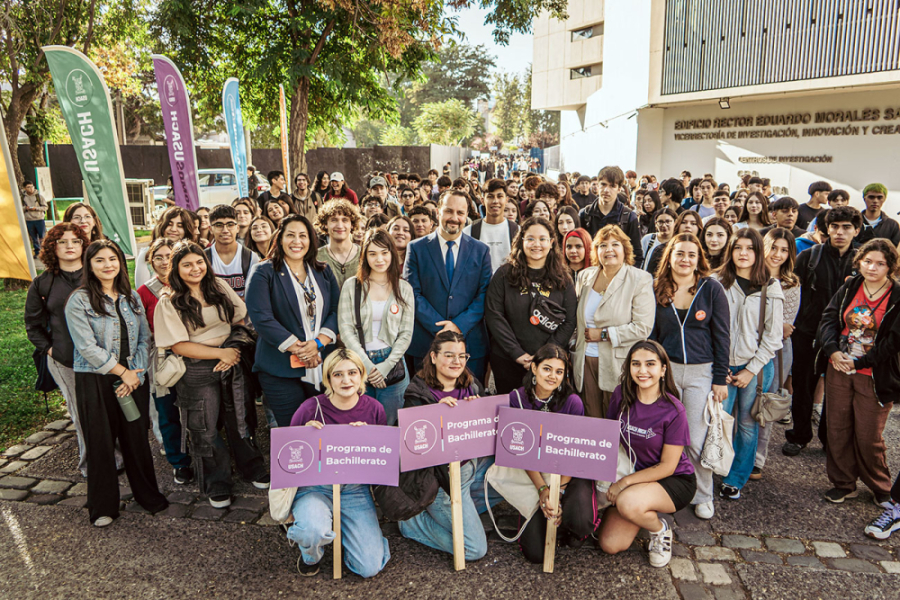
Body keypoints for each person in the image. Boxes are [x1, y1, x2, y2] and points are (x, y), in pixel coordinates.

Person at [154, 241, 268, 506]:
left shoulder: (217, 286)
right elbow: (177, 344)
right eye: (187, 265)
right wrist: (219, 354)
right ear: (176, 268)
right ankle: (217, 481)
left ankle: (251, 467)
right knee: (204, 427)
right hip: (197, 368)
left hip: (232, 359)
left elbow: (239, 317)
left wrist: (232, 350)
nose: (196, 268)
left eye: (199, 262)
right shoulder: (170, 300)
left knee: (239, 416)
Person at [64, 240, 169, 526]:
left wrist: (134, 373)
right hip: (96, 379)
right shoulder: (80, 300)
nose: (108, 264)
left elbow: (144, 339)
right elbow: (86, 346)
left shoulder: (131, 297)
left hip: (133, 379)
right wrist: (122, 372)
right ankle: (103, 507)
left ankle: (148, 496)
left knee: (136, 440)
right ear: (90, 265)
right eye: (100, 260)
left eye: (113, 259)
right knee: (101, 442)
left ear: (121, 263)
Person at [26, 223, 120, 478]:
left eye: (75, 241)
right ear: (52, 247)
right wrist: (50, 350)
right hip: (66, 360)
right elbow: (32, 325)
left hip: (106, 356)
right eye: (62, 241)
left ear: (84, 245)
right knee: (82, 414)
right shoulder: (42, 284)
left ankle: (118, 456)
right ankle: (92, 464)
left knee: (111, 408)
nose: (69, 246)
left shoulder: (99, 273)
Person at [288, 348, 390, 578]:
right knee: (311, 530)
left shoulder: (374, 409)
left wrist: (369, 440)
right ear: (328, 379)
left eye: (352, 372)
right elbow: (288, 458)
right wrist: (304, 436)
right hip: (315, 487)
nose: (346, 380)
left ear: (362, 375)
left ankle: (352, 534)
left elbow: (382, 463)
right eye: (338, 374)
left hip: (354, 490)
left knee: (369, 567)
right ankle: (310, 553)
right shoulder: (310, 408)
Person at [650, 233, 730, 519]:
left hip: (700, 373)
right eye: (680, 253)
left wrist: (720, 379)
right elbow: (652, 335)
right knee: (665, 436)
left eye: (691, 255)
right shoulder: (657, 287)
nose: (685, 259)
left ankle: (703, 494)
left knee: (696, 438)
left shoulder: (711, 288)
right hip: (666, 371)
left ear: (699, 260)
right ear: (669, 257)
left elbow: (722, 336)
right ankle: (666, 489)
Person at [816, 239, 899, 508]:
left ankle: (881, 486)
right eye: (867, 261)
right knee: (837, 429)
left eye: (880, 263)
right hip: (839, 367)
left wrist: (861, 361)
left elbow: (894, 341)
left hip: (873, 374)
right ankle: (844, 483)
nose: (872, 268)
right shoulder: (850, 286)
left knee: (868, 435)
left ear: (890, 267)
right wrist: (832, 351)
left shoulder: (897, 296)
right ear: (859, 261)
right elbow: (828, 319)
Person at [598, 340, 696, 569]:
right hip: (636, 473)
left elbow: (667, 467)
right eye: (636, 364)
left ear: (663, 369)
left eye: (650, 364)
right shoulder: (621, 394)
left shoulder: (673, 410)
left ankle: (660, 530)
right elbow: (609, 435)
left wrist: (623, 483)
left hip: (673, 480)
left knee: (627, 503)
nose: (642, 371)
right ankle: (643, 508)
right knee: (610, 544)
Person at [399, 331, 494, 562]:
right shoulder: (418, 394)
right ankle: (413, 524)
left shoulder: (472, 386)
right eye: (449, 355)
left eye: (462, 356)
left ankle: (464, 511)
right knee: (474, 549)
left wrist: (480, 409)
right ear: (433, 357)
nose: (457, 361)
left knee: (512, 475)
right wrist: (435, 416)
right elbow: (413, 448)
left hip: (471, 470)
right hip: (443, 482)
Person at [502, 344, 597, 563]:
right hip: (534, 473)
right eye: (547, 368)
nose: (553, 376)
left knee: (581, 520)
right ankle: (544, 520)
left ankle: (573, 529)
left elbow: (576, 451)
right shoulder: (516, 399)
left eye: (559, 371)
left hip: (568, 474)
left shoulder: (573, 402)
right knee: (535, 553)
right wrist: (543, 490)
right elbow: (518, 451)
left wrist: (559, 492)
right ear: (534, 368)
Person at [245, 214, 340, 427]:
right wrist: (301, 350)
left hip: (321, 363)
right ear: (279, 239)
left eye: (303, 236)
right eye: (290, 235)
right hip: (279, 369)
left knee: (325, 427)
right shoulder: (263, 271)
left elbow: (336, 310)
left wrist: (317, 344)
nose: (297, 241)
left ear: (311, 240)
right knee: (295, 430)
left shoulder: (322, 270)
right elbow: (261, 317)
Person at [784, 206, 862, 457]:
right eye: (835, 226)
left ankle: (830, 439)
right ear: (825, 228)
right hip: (807, 333)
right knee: (803, 386)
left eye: (846, 227)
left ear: (856, 230)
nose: (840, 232)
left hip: (847, 338)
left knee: (838, 391)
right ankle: (800, 435)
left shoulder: (862, 261)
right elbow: (794, 293)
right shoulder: (810, 256)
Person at [715, 229, 783, 500]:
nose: (743, 253)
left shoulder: (770, 286)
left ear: (758, 253)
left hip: (755, 369)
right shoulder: (717, 282)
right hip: (721, 366)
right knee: (717, 421)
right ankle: (712, 468)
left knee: (746, 423)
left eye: (749, 248)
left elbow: (773, 337)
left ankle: (736, 477)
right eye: (737, 248)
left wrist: (749, 370)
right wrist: (722, 368)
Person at [404, 190, 492, 381]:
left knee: (470, 405)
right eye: (449, 211)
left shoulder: (481, 251)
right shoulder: (416, 248)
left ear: (467, 215)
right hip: (426, 344)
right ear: (438, 212)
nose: (455, 218)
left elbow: (484, 294)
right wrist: (441, 328)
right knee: (425, 407)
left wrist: (458, 325)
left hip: (470, 345)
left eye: (460, 213)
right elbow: (412, 294)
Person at [485, 216, 577, 394]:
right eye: (531, 239)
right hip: (508, 360)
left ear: (551, 242)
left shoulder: (563, 278)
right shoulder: (504, 274)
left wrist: (545, 356)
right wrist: (517, 353)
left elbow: (570, 320)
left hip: (548, 364)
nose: (537, 244)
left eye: (542, 239)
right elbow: (494, 315)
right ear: (521, 241)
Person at [573, 225, 655, 418]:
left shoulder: (639, 279)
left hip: (617, 363)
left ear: (625, 249)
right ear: (596, 251)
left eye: (615, 244)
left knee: (617, 420)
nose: (608, 249)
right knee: (592, 420)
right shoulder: (585, 276)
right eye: (602, 245)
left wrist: (604, 334)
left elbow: (643, 327)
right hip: (585, 362)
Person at [337, 230, 414, 425]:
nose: (379, 259)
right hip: (358, 363)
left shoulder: (403, 288)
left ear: (392, 254)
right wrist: (369, 367)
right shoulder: (352, 286)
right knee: (360, 422)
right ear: (364, 256)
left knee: (390, 424)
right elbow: (346, 330)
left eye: (384, 252)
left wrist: (386, 366)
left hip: (393, 363)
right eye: (372, 253)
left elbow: (405, 333)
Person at [752, 228, 801, 481]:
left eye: (784, 250)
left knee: (766, 404)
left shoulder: (791, 283)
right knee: (744, 405)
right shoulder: (750, 274)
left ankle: (758, 458)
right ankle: (739, 455)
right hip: (746, 347)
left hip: (777, 352)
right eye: (774, 247)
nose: (777, 254)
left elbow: (783, 327)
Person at [579, 168, 644, 266]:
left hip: (619, 274)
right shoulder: (585, 214)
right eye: (603, 184)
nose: (606, 190)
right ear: (598, 184)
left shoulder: (629, 216)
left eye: (612, 186)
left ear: (619, 189)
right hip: (591, 273)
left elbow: (636, 254)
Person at [464, 179, 519, 273]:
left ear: (506, 199)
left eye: (500, 196)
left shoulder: (517, 230)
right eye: (490, 196)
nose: (495, 201)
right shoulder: (469, 232)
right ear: (482, 200)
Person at [204, 205, 259, 298]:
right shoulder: (204, 257)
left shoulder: (250, 257)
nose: (225, 230)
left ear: (237, 228)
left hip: (243, 311)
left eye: (230, 225)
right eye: (219, 225)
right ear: (210, 229)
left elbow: (254, 295)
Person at [135, 206, 197, 288]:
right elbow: (141, 291)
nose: (174, 229)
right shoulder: (146, 253)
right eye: (169, 224)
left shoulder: (192, 253)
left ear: (186, 230)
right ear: (162, 226)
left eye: (179, 226)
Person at [315, 199, 361, 289]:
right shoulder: (316, 257)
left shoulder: (364, 255)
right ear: (325, 224)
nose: (340, 225)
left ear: (352, 224)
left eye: (345, 220)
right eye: (334, 220)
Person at [645, 210, 702, 277]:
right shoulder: (661, 249)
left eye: (693, 223)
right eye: (683, 222)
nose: (688, 226)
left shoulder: (704, 251)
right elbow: (650, 277)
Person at [21, 180, 48, 255]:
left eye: (32, 187)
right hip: (29, 219)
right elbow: (19, 208)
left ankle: (44, 252)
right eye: (28, 187)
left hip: (39, 219)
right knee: (34, 238)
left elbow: (45, 207)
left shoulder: (39, 196)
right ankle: (37, 252)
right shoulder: (23, 198)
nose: (31, 189)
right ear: (24, 188)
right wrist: (26, 208)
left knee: (42, 237)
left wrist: (36, 208)